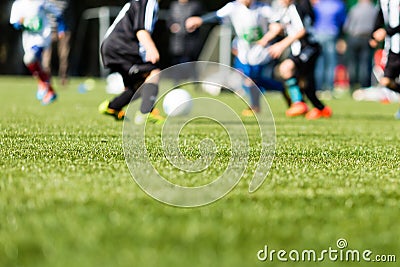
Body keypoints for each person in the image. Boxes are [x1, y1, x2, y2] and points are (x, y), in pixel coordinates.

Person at [185, 0, 290, 115]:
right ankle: (279, 88)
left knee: (251, 80)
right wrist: (200, 20)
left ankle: (257, 105)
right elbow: (217, 16)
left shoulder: (262, 8)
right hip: (243, 53)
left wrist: (270, 34)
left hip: (260, 52)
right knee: (247, 79)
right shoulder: (232, 7)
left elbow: (277, 24)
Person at [261, 0, 332, 119]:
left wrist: (281, 45)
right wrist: (264, 39)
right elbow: (276, 26)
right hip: (299, 50)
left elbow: (301, 30)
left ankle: (298, 103)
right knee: (304, 82)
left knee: (286, 68)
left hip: (308, 47)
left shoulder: (296, 7)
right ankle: (321, 109)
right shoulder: (285, 9)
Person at [98, 0, 164, 124]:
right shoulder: (148, 2)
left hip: (112, 46)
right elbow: (141, 30)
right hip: (121, 47)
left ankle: (113, 107)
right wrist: (151, 48)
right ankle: (146, 112)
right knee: (153, 72)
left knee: (138, 83)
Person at [9, 0, 65, 105]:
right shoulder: (18, 4)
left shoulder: (41, 2)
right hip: (28, 40)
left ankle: (44, 84)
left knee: (29, 59)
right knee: (35, 66)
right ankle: (48, 89)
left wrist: (61, 29)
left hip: (42, 37)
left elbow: (57, 13)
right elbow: (14, 23)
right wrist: (20, 23)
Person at [369, 0, 400, 119]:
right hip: (392, 49)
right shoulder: (383, 1)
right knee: (386, 81)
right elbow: (380, 16)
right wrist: (373, 35)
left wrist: (386, 31)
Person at [312, 0, 347, 95]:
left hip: (318, 34)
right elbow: (343, 22)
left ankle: (318, 88)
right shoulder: (339, 5)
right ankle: (328, 88)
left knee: (319, 63)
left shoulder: (318, 4)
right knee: (331, 63)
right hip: (331, 34)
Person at [343, 0, 377, 90]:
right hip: (368, 38)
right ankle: (364, 86)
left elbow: (347, 27)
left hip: (354, 37)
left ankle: (353, 85)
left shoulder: (354, 9)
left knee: (352, 63)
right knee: (365, 63)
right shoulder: (374, 9)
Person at [42, 0, 72, 86]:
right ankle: (46, 80)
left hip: (64, 31)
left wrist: (62, 29)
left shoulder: (64, 2)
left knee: (64, 56)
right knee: (46, 58)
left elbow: (65, 16)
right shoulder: (44, 2)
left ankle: (64, 78)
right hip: (48, 31)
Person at [167, 0, 203, 66]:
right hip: (176, 44)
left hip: (190, 44)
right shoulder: (174, 5)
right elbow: (169, 20)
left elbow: (201, 19)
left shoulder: (195, 5)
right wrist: (172, 26)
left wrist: (194, 25)